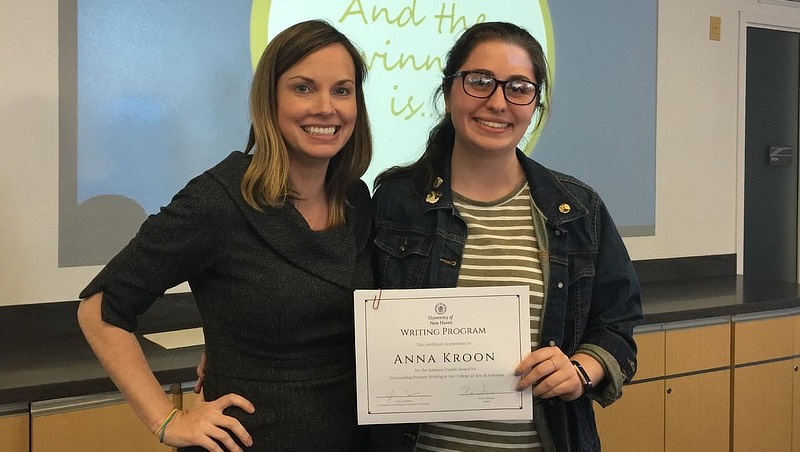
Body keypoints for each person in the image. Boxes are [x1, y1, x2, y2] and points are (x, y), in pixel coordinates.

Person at [77, 19, 373, 452]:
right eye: (303, 88)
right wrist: (166, 421)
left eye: (342, 90)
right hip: (252, 439)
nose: (326, 107)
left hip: (351, 435)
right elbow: (100, 310)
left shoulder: (357, 199)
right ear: (269, 100)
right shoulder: (219, 200)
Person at [370, 21, 643, 452]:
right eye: (479, 81)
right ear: (448, 91)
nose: (498, 102)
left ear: (535, 102)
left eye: (518, 87)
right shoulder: (395, 201)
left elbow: (617, 325)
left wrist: (581, 370)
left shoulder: (578, 210)